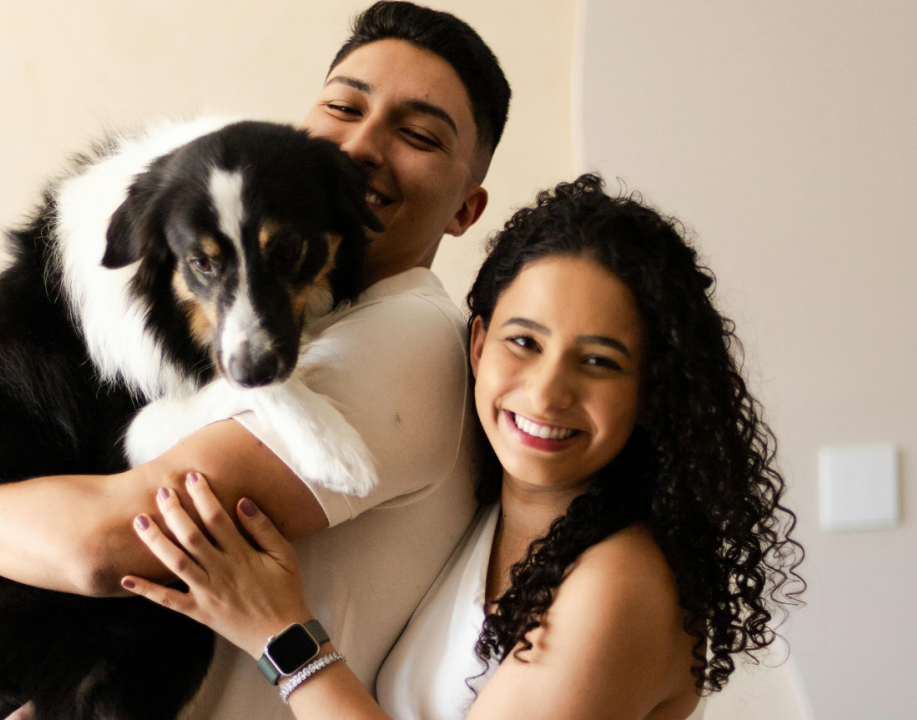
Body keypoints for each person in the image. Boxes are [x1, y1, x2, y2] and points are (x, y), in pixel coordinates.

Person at [0, 3, 511, 719]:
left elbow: (109, 541)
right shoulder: (318, 321)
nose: (363, 145)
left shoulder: (406, 336)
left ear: (467, 208)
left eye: (418, 134)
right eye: (343, 105)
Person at [120, 175, 805, 720]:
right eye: (524, 343)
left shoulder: (620, 586)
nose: (546, 393)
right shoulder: (484, 512)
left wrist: (284, 636)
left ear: (651, 391)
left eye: (598, 362)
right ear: (477, 344)